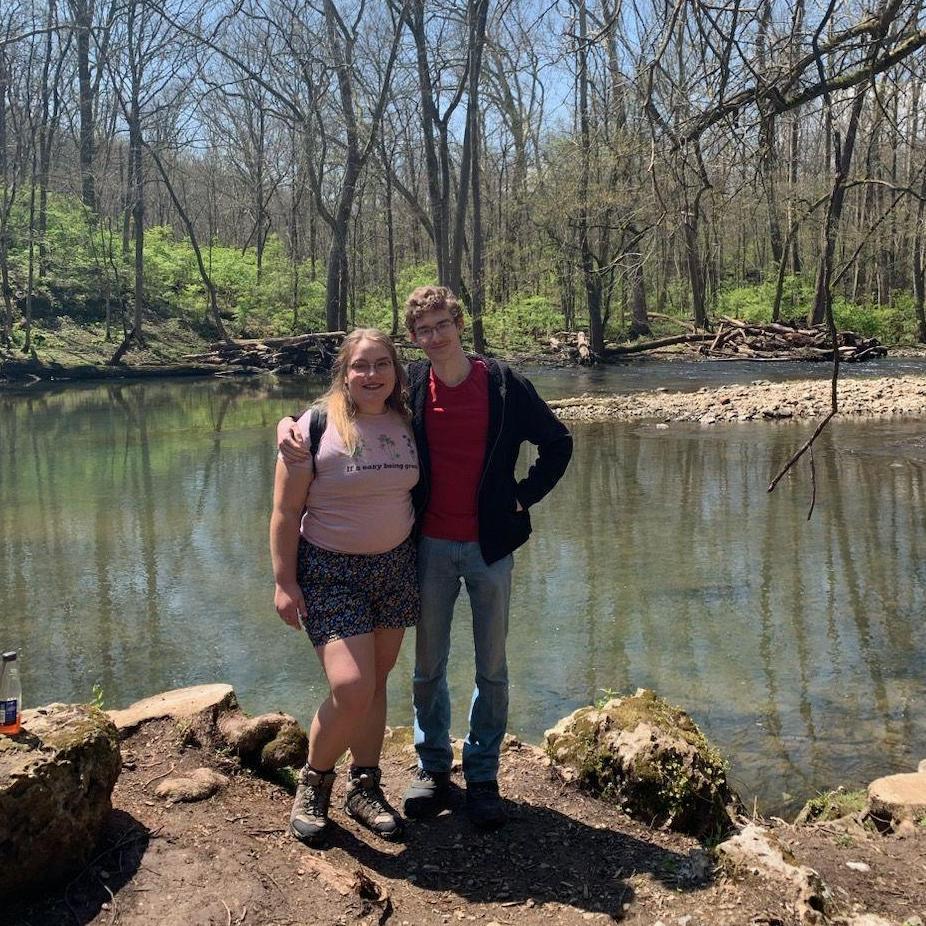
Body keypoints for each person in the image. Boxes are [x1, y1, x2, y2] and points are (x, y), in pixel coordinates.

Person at [278, 286, 572, 830]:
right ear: (413, 338)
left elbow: (558, 442)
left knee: (493, 667)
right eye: (423, 330)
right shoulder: (408, 388)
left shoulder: (504, 385)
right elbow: (344, 409)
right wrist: (286, 425)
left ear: (459, 323)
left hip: (490, 547)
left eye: (442, 325)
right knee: (427, 668)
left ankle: (482, 776)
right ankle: (432, 769)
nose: (434, 337)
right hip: (427, 547)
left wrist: (523, 495)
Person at [269, 328, 420, 846]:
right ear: (344, 372)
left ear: (396, 370)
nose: (372, 374)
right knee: (351, 686)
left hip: (396, 568)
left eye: (382, 364)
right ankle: (314, 780)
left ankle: (365, 786)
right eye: (361, 365)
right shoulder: (313, 427)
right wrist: (284, 581)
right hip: (329, 571)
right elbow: (287, 512)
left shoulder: (408, 420)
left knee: (376, 683)